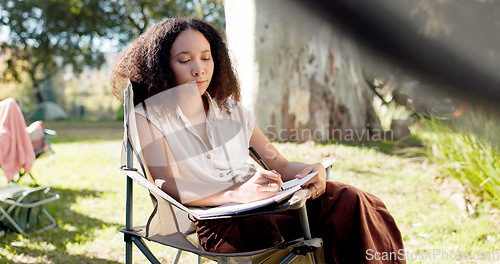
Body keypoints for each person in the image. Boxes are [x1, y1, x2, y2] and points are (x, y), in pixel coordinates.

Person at [111, 17, 406, 264]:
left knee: (351, 200)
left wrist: (309, 170)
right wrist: (237, 193)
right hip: (221, 221)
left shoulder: (232, 110)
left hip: (270, 204)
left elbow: (277, 162)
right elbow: (165, 185)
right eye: (184, 60)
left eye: (206, 57)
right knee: (338, 224)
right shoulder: (149, 117)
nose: (198, 68)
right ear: (162, 67)